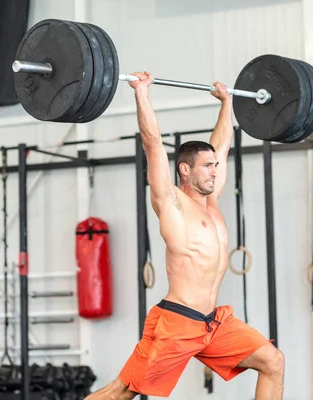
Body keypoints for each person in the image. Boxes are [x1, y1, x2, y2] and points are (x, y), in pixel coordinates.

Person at [85, 72, 285, 400]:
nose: (215, 171)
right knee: (119, 393)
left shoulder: (212, 201)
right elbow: (152, 143)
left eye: (215, 166)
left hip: (212, 323)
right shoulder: (171, 204)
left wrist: (227, 104)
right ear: (185, 170)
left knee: (273, 361)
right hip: (177, 322)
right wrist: (141, 93)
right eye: (207, 166)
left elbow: (221, 144)